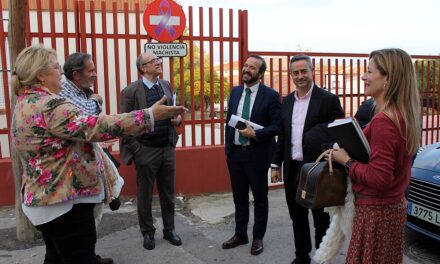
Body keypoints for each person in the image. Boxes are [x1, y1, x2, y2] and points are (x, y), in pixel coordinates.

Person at [10, 45, 186, 264]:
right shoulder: (49, 105)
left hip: (45, 200)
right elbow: (96, 126)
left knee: (56, 255)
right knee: (78, 256)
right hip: (64, 203)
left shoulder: (25, 101)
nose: (61, 73)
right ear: (41, 75)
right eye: (56, 67)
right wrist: (149, 115)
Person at [331, 48, 421, 263]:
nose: (363, 76)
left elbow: (380, 178)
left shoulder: (384, 121)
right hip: (391, 209)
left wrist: (346, 161)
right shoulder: (403, 114)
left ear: (388, 79)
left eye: (369, 71)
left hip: (376, 214)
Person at [271, 54, 344, 264]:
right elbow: (283, 135)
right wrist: (276, 163)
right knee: (297, 217)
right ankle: (301, 257)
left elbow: (339, 129)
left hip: (317, 170)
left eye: (304, 71)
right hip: (292, 168)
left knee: (320, 219)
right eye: (295, 72)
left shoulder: (328, 99)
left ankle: (322, 260)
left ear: (312, 71)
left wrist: (314, 136)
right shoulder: (286, 102)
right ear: (291, 75)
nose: (300, 76)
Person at [119, 52, 182, 251]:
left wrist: (177, 121)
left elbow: (172, 112)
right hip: (145, 150)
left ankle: (169, 229)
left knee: (168, 192)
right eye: (154, 61)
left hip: (167, 148)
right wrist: (137, 150)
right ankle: (148, 232)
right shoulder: (130, 92)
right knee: (145, 194)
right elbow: (125, 124)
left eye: (158, 60)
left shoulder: (166, 85)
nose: (159, 63)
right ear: (143, 68)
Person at [223, 55, 281, 256]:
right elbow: (229, 120)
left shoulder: (271, 95)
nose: (246, 69)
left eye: (252, 67)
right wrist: (228, 149)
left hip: (257, 154)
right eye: (246, 66)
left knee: (260, 198)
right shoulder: (236, 91)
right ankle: (241, 234)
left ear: (261, 73)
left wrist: (255, 133)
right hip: (236, 154)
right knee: (239, 197)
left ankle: (258, 237)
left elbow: (277, 126)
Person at [60, 52, 121, 218]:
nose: (95, 74)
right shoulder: (64, 91)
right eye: (91, 71)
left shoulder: (82, 91)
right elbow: (84, 117)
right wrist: (95, 100)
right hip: (74, 175)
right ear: (76, 75)